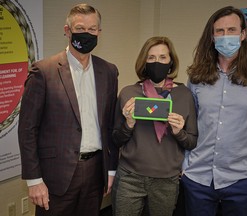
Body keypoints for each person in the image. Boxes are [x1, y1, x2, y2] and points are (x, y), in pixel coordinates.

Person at [183, 6, 247, 216]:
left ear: (243, 34)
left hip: (243, 181)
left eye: (231, 30)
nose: (225, 36)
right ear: (211, 37)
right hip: (198, 179)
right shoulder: (196, 77)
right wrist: (184, 165)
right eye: (219, 31)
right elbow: (187, 124)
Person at [18, 4, 119, 216]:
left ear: (99, 32)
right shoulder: (43, 72)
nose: (87, 33)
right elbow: (28, 129)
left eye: (92, 29)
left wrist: (110, 169)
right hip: (55, 176)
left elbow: (109, 125)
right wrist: (34, 180)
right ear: (67, 30)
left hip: (95, 172)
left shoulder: (108, 71)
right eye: (80, 28)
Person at [111, 36, 198, 216]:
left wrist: (178, 132)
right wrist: (129, 123)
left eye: (162, 57)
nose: (156, 62)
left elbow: (191, 142)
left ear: (171, 61)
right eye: (151, 58)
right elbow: (116, 139)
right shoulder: (129, 93)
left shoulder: (184, 95)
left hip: (167, 180)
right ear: (144, 61)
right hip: (129, 177)